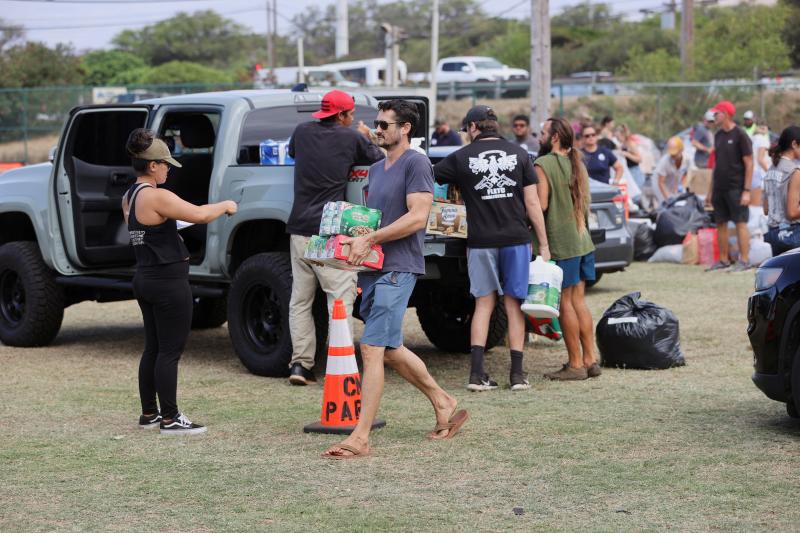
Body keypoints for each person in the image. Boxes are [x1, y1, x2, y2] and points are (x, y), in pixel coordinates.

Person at [322, 99, 467, 459]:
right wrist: (351, 244)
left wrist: (369, 239)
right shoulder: (375, 168)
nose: (379, 129)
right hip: (375, 269)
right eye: (378, 123)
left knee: (371, 348)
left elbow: (418, 217)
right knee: (387, 347)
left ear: (405, 129)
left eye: (386, 124)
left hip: (400, 267)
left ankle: (360, 437)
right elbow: (377, 220)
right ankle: (444, 401)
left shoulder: (416, 163)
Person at [122, 129, 237, 435]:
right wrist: (225, 205)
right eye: (164, 164)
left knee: (153, 348)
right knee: (169, 352)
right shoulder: (158, 195)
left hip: (144, 278)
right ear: (152, 166)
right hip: (168, 282)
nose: (168, 169)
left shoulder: (130, 197)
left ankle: (150, 413)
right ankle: (171, 418)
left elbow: (152, 228)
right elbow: (200, 215)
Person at [433, 105, 549, 392]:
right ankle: (518, 376)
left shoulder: (460, 157)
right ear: (494, 125)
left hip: (480, 241)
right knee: (514, 305)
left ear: (473, 127)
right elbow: (533, 204)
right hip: (516, 239)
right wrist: (544, 244)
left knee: (483, 304)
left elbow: (430, 178)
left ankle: (476, 375)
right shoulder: (521, 154)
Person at [285, 89, 384, 385]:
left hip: (299, 228)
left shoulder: (301, 132)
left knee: (300, 301)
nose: (353, 119)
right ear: (341, 115)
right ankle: (338, 367)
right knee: (339, 301)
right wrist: (367, 135)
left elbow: (292, 153)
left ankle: (300, 366)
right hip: (330, 233)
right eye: (350, 114)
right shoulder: (351, 138)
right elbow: (378, 158)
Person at [534, 117, 600, 380]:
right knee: (578, 301)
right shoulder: (579, 164)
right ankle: (590, 359)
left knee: (565, 304)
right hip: (583, 241)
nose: (538, 136)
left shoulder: (543, 164)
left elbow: (542, 205)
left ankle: (575, 364)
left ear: (554, 137)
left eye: (542, 132)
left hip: (562, 243)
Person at [705, 100, 753, 272]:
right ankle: (723, 260)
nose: (714, 116)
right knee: (721, 223)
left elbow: (749, 163)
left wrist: (746, 190)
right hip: (719, 188)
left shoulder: (740, 135)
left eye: (716, 113)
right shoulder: (718, 136)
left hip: (737, 188)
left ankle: (745, 261)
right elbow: (716, 164)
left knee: (740, 223)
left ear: (725, 114)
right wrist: (710, 191)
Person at [763, 126, 800, 256]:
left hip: (773, 234)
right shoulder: (794, 172)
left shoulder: (770, 171)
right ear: (794, 144)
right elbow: (792, 212)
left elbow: (766, 210)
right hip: (792, 234)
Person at [654, 136, 689, 202]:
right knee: (665, 205)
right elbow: (661, 183)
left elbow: (686, 174)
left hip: (674, 186)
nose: (673, 156)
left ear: (681, 150)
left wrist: (681, 185)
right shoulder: (664, 162)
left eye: (675, 154)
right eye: (672, 154)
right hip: (662, 187)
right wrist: (669, 199)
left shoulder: (687, 159)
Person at [615, 123, 644, 188]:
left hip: (635, 173)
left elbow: (639, 159)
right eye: (616, 137)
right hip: (628, 172)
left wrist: (627, 154)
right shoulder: (622, 145)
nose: (617, 139)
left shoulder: (631, 144)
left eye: (618, 137)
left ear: (623, 135)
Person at [751, 121, 771, 207]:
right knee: (757, 206)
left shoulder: (751, 138)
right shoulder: (763, 140)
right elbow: (760, 159)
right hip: (759, 174)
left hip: (751, 172)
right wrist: (770, 172)